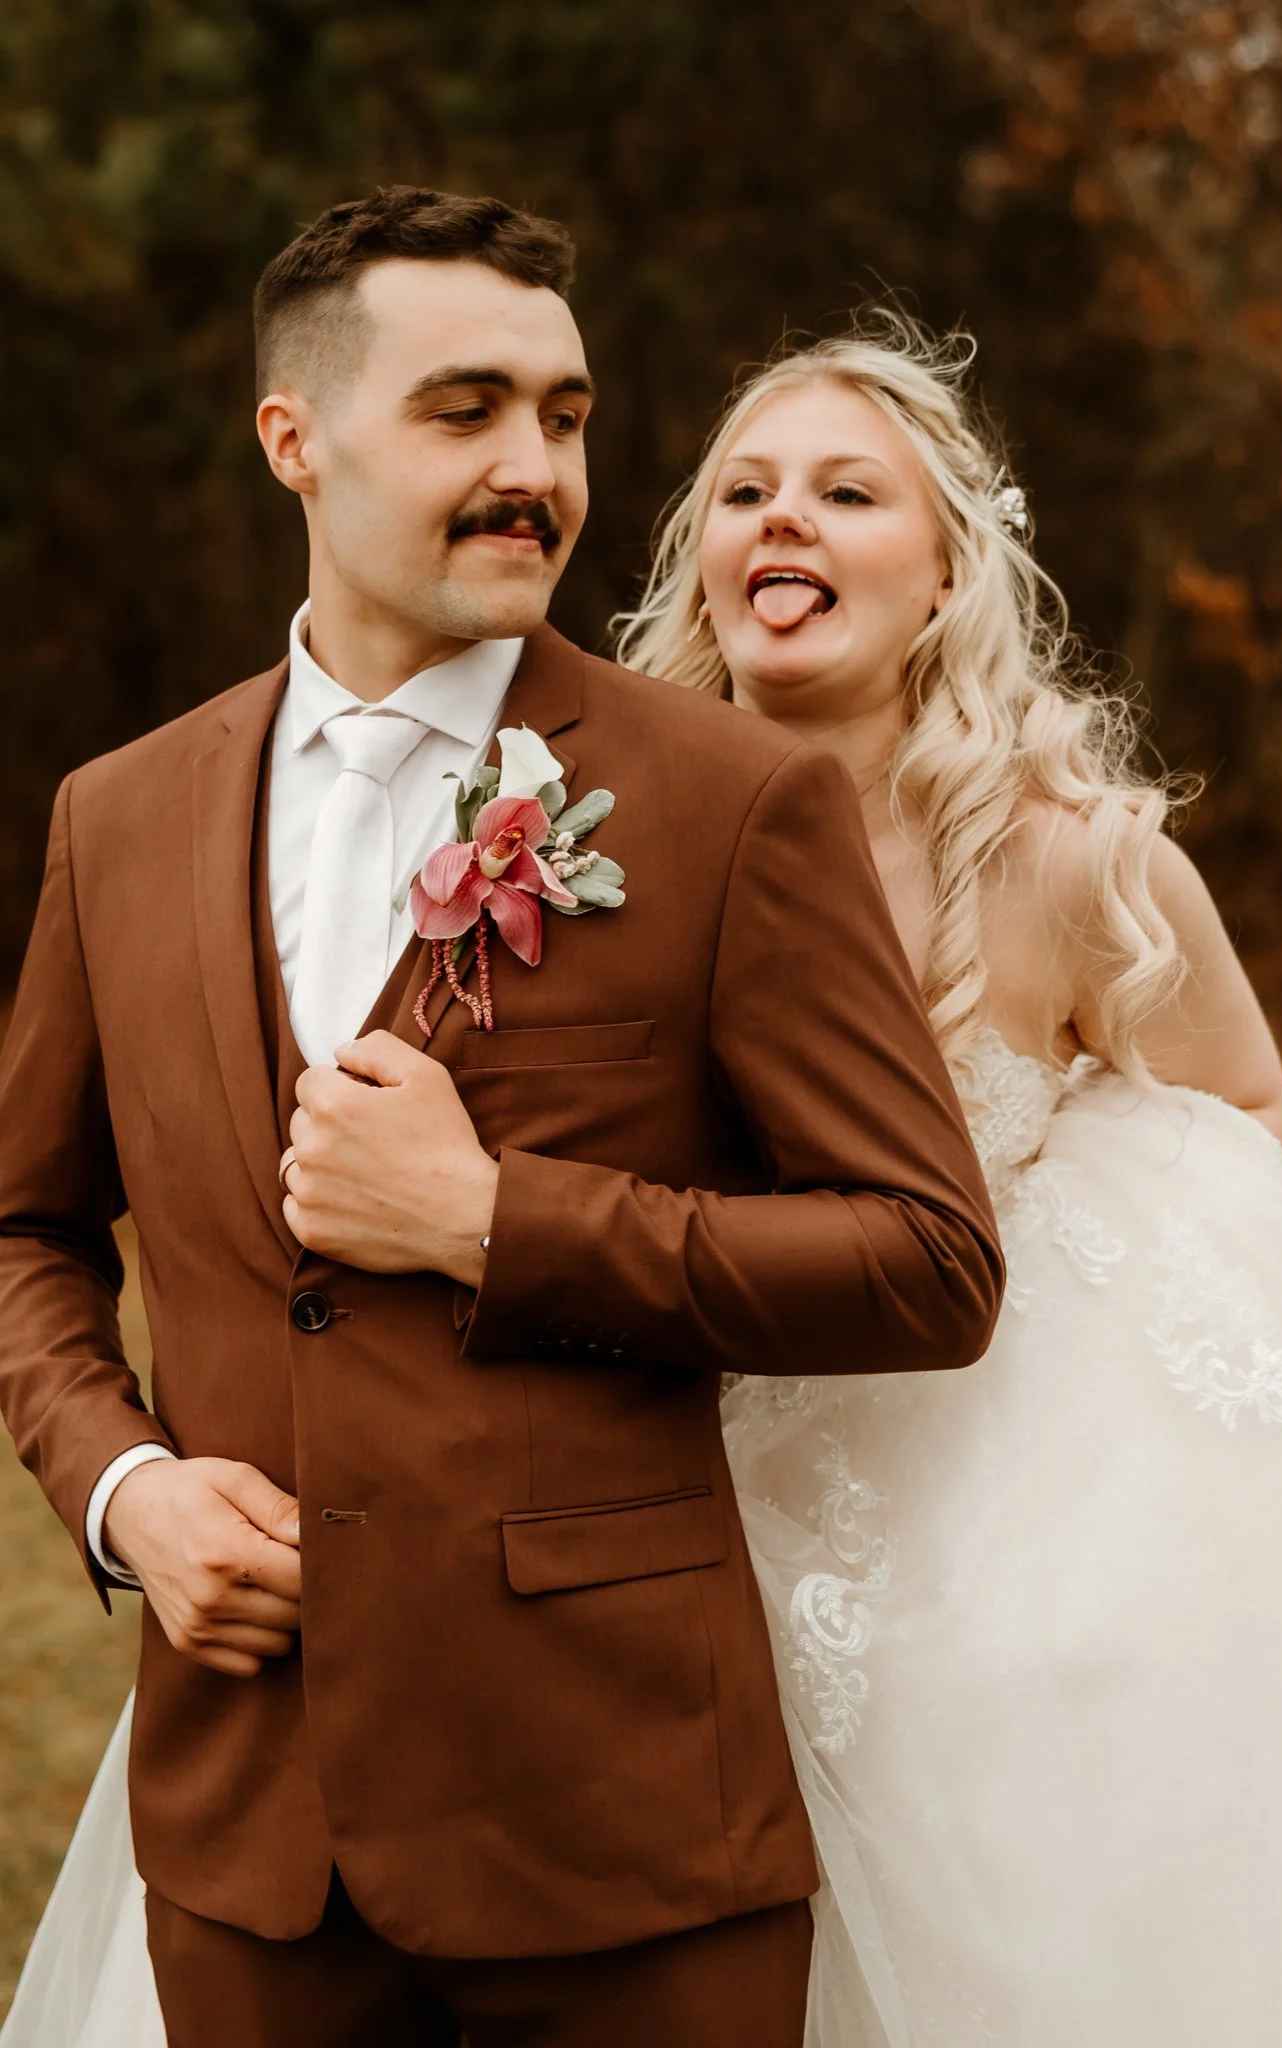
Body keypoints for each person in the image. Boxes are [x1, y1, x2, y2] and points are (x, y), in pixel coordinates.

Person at [0, 204, 1002, 2048]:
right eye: (467, 411)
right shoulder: (116, 816)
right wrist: (121, 1489)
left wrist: (491, 1220)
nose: (534, 469)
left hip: (623, 1835)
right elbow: (28, 1234)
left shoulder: (726, 800)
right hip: (251, 1851)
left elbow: (929, 1262)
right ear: (293, 438)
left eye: (565, 414)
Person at [615, 312, 1282, 2048]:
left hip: (977, 1460)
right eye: (745, 491)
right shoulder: (604, 827)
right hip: (682, 1434)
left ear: (947, 572)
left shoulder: (1074, 857)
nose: (782, 518)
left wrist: (1065, 1232)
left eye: (846, 490)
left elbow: (1239, 1100)